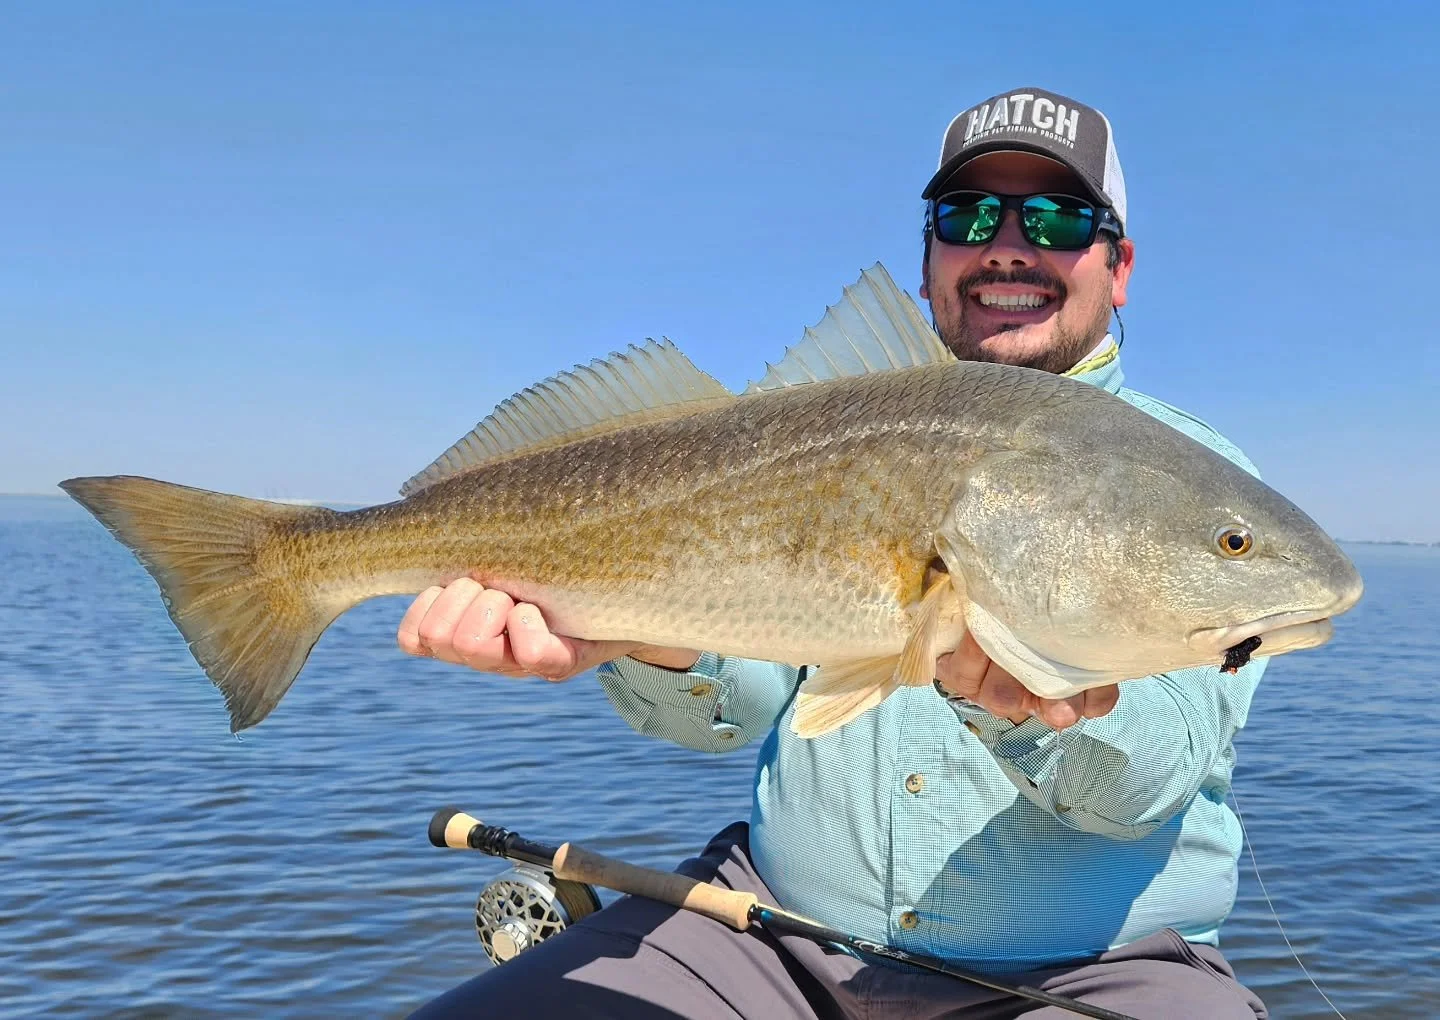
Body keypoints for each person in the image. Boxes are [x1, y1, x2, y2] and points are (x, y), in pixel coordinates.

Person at [406, 87, 1268, 1019]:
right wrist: (645, 639)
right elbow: (730, 715)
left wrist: (1025, 705)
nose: (1009, 244)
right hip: (763, 934)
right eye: (969, 214)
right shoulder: (830, 425)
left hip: (1091, 973)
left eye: (1056, 217)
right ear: (931, 254)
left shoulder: (1195, 483)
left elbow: (1148, 780)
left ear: (1119, 265)